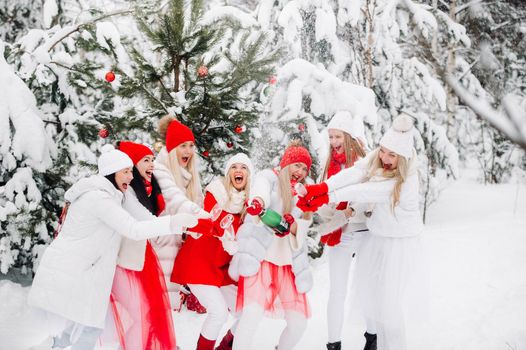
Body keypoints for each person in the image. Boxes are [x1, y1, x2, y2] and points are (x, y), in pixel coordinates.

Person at [28, 145, 198, 349]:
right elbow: (133, 228)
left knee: (81, 326)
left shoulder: (116, 195)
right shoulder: (98, 198)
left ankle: (50, 346)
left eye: (130, 171)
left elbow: (146, 219)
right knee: (88, 328)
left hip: (87, 271)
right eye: (125, 172)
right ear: (111, 173)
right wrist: (175, 222)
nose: (131, 177)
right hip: (76, 270)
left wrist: (186, 225)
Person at [298, 114, 427, 350]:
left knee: (389, 306)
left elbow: (366, 191)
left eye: (392, 155)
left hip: (398, 245)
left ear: (404, 157)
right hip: (377, 237)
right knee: (377, 300)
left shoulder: (407, 180)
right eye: (383, 151)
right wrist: (323, 187)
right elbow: (357, 172)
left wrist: (329, 196)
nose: (385, 158)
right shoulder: (378, 158)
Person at [228, 141, 313, 350]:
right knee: (250, 317)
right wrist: (258, 203)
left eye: (304, 168)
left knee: (298, 324)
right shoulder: (269, 177)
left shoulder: (304, 192)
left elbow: (305, 225)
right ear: (286, 164)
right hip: (262, 259)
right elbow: (260, 192)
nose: (300, 172)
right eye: (297, 165)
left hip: (288, 265)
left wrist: (293, 226)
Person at [171, 153, 254, 350]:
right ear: (228, 173)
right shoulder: (215, 193)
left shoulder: (249, 204)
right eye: (234, 167)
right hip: (198, 264)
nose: (238, 171)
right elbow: (217, 223)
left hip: (221, 268)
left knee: (247, 313)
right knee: (218, 313)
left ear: (249, 175)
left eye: (243, 168)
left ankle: (225, 347)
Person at [317, 111, 369, 350]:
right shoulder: (328, 165)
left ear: (347, 136)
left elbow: (370, 194)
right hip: (339, 233)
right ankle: (333, 343)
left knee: (369, 286)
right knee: (337, 291)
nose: (334, 142)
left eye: (337, 136)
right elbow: (322, 198)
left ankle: (373, 339)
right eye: (330, 137)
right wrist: (333, 215)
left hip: (364, 231)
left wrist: (351, 211)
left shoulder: (364, 161)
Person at [153, 115, 212, 309]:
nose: (188, 151)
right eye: (182, 146)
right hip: (161, 244)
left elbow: (200, 203)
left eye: (191, 146)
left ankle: (167, 340)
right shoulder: (159, 171)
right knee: (159, 303)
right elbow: (178, 202)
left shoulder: (190, 176)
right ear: (171, 149)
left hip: (177, 246)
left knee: (170, 306)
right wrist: (208, 219)